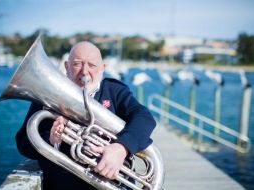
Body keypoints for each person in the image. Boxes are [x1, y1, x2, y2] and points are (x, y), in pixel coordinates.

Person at [15, 41, 156, 190]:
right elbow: (23, 143)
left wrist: (121, 148)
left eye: (92, 65)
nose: (84, 72)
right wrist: (49, 140)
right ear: (66, 66)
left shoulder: (115, 91)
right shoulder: (47, 95)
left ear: (103, 68)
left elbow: (145, 118)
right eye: (77, 64)